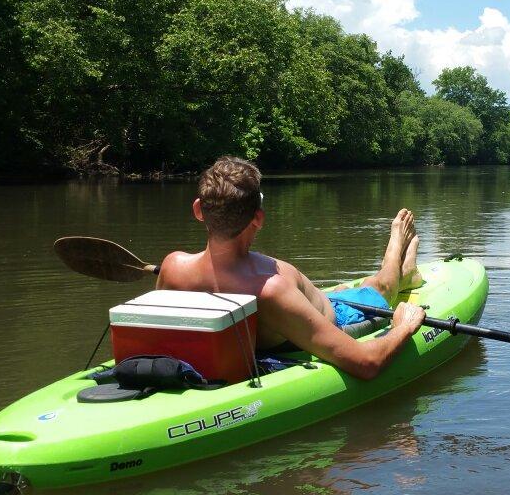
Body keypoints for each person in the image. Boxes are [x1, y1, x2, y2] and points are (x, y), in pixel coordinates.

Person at [155, 156, 427, 380]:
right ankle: (398, 248)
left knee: (346, 290)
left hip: (304, 307)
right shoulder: (270, 291)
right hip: (336, 319)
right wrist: (403, 326)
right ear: (258, 219)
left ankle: (406, 270)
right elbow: (367, 363)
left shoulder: (173, 267)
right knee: (382, 287)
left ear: (198, 210)